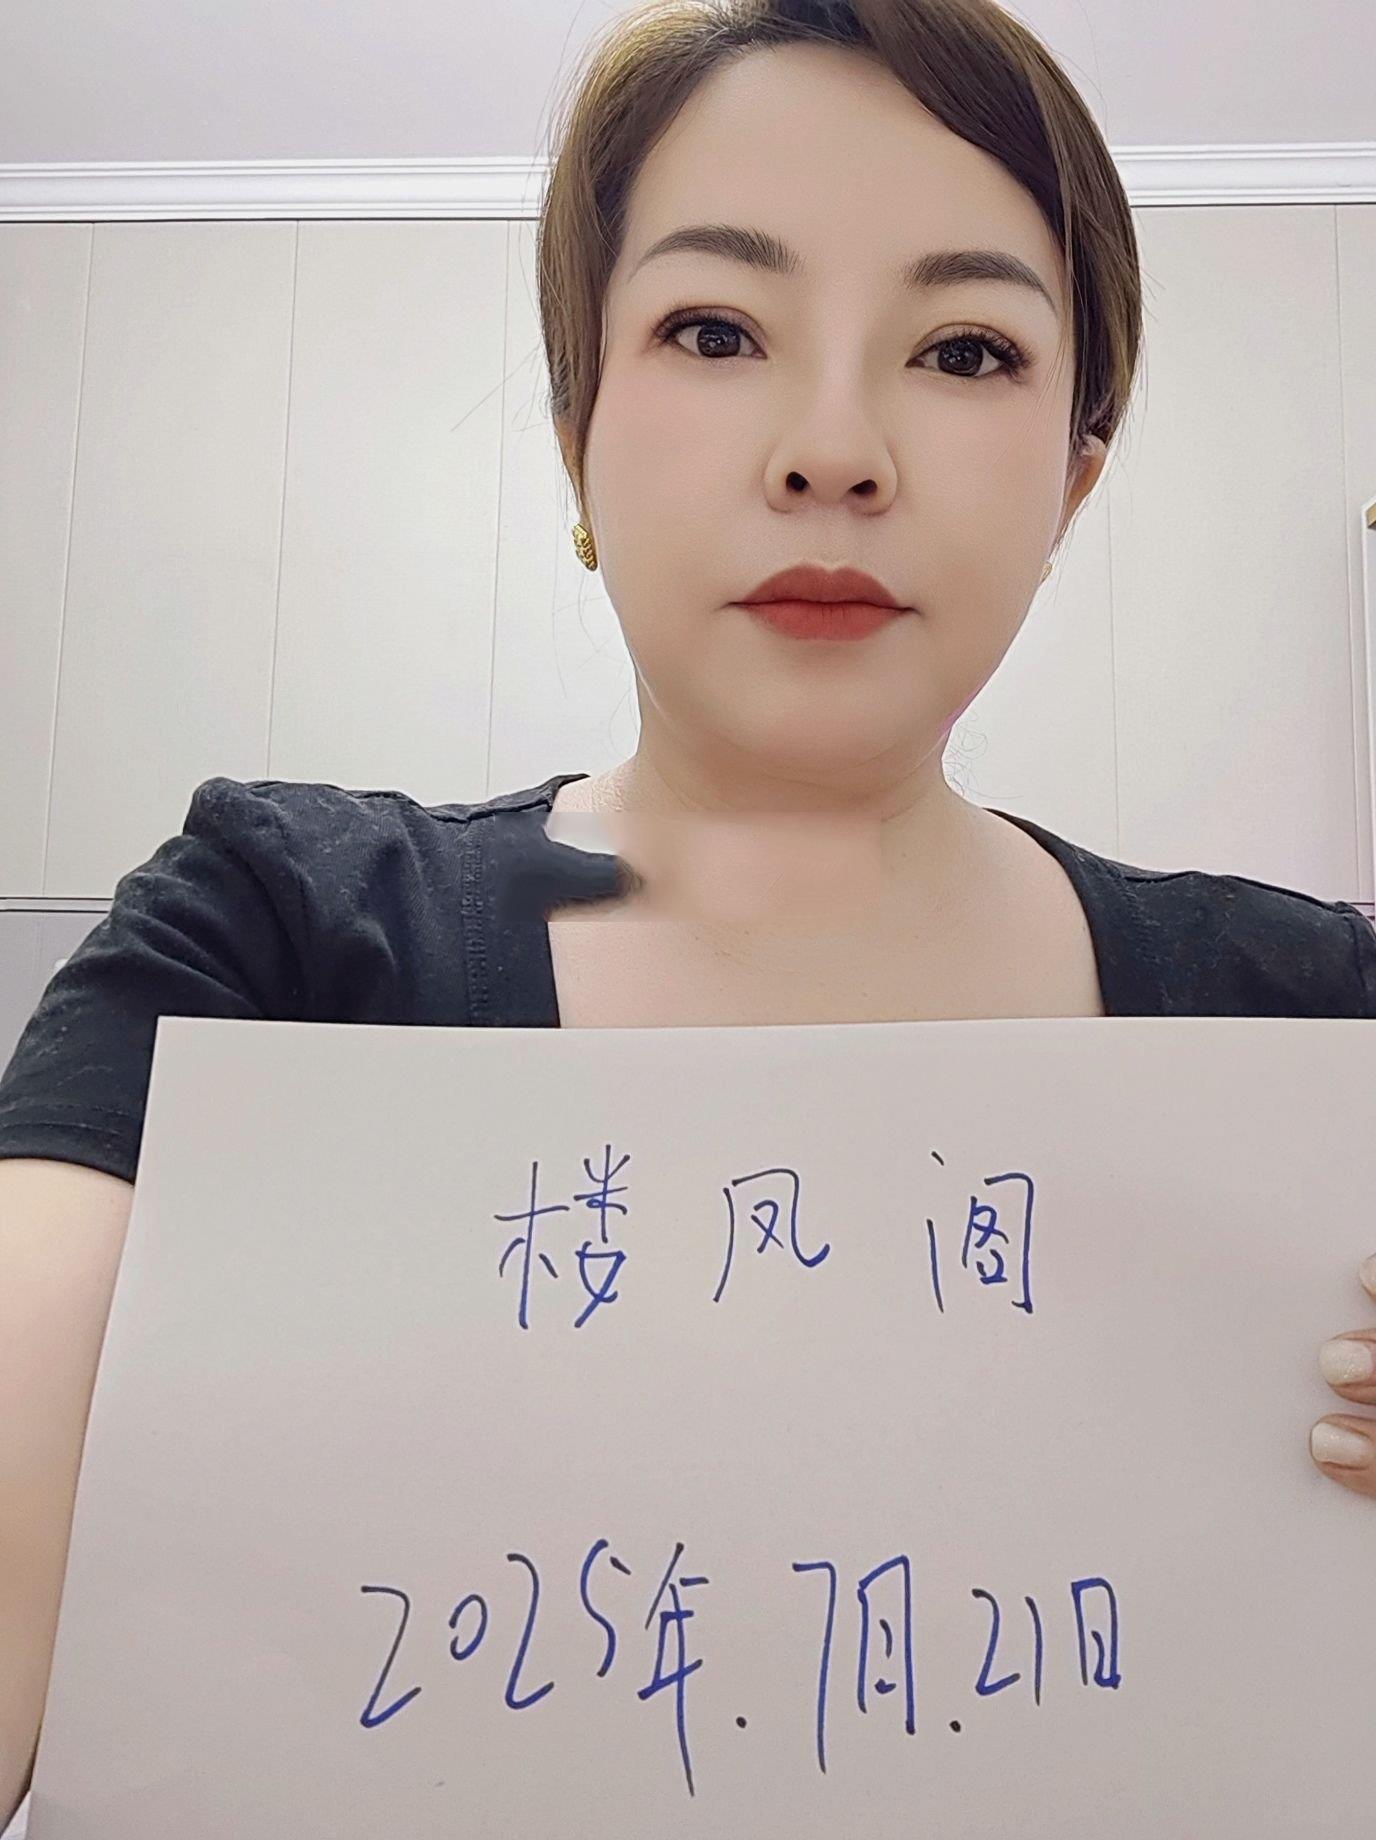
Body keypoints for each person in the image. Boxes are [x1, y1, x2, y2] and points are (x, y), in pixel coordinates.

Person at [2, 0, 1375, 1826]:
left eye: (966, 349)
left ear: (1074, 479)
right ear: (579, 431)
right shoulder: (272, 936)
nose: (834, 449)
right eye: (715, 330)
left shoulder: (1319, 1026)